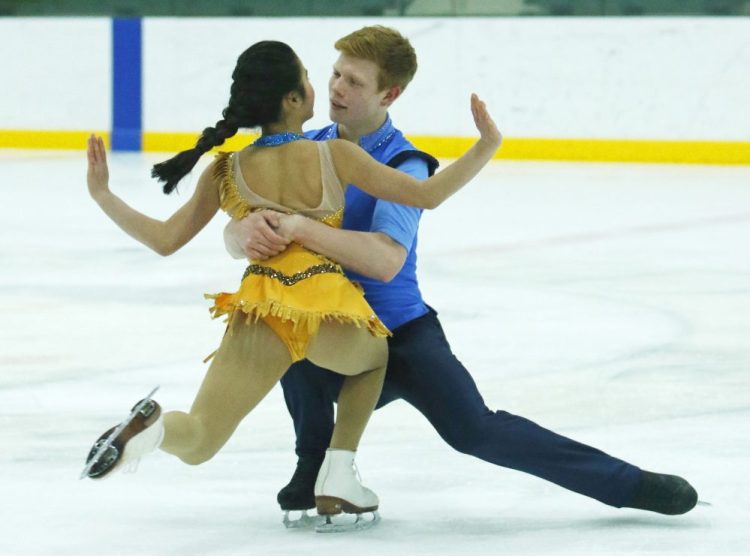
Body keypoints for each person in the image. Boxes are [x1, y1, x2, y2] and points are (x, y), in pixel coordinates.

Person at [224, 26, 699, 519]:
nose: (338, 89)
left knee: (477, 431)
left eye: (356, 82)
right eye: (336, 74)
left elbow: (385, 260)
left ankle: (629, 484)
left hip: (400, 334)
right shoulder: (308, 148)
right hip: (334, 328)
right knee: (285, 324)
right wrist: (241, 235)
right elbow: (242, 225)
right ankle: (313, 465)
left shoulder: (404, 163)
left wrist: (300, 227)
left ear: (390, 93)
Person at [82, 39, 502, 525]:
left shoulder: (225, 170)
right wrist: (486, 146)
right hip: (320, 306)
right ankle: (338, 471)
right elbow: (426, 194)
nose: (321, 84)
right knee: (375, 361)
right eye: (309, 76)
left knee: (199, 439)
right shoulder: (334, 155)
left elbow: (163, 239)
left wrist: (102, 195)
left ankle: (149, 434)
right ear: (294, 100)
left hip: (260, 308)